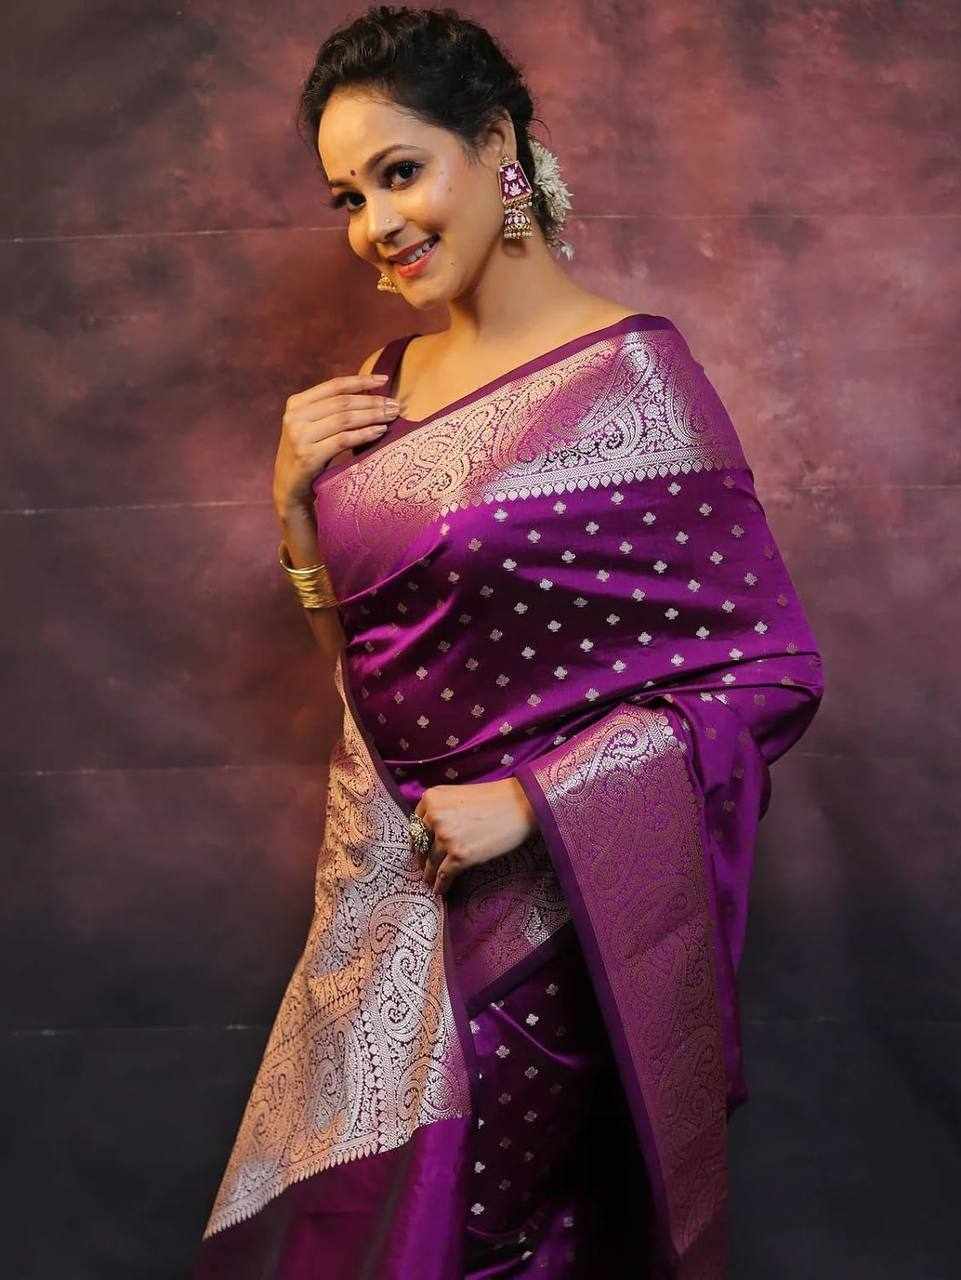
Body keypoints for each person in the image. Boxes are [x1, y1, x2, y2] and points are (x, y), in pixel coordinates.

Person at [191, 6, 824, 1278]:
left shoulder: (633, 379)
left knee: (486, 1241)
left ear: (496, 148)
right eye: (347, 197)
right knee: (352, 1234)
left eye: (399, 171)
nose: (375, 224)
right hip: (382, 900)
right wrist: (292, 506)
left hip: (541, 920)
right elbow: (363, 672)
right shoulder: (380, 385)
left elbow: (770, 669)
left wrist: (536, 801)